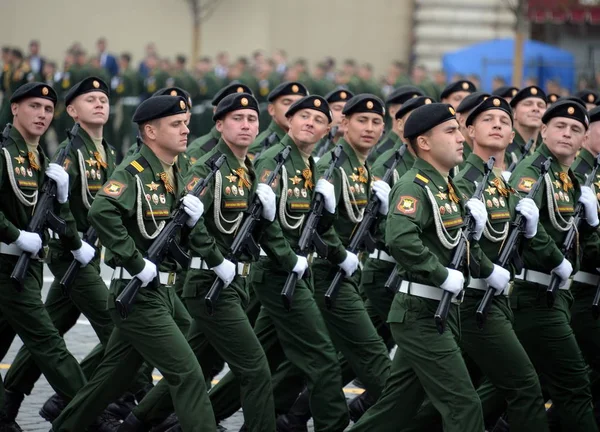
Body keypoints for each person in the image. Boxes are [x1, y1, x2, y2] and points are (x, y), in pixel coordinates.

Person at [50, 95, 215, 432]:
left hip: (164, 291)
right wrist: (135, 261)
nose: (186, 130)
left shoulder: (178, 168)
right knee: (187, 373)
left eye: (185, 123)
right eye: (176, 125)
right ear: (151, 132)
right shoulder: (135, 170)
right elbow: (101, 211)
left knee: (111, 379)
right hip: (138, 292)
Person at [208, 95, 349, 432]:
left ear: (327, 130)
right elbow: (262, 220)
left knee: (265, 361)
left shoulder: (309, 164)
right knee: (322, 357)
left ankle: (193, 417)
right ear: (289, 120)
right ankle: (334, 424)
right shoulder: (275, 160)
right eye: (303, 116)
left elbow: (309, 226)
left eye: (318, 119)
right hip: (277, 272)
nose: (310, 123)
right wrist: (289, 258)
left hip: (297, 271)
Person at [351, 103, 490, 432]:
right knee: (463, 404)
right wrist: (442, 275)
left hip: (436, 309)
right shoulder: (414, 186)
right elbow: (400, 240)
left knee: (396, 409)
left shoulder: (445, 185)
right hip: (420, 312)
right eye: (451, 131)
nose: (460, 138)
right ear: (424, 143)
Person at [2, 76, 128, 424]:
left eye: (46, 109)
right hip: (43, 257)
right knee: (102, 329)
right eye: (90, 100)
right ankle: (112, 406)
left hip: (61, 258)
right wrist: (68, 243)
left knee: (47, 332)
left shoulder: (96, 153)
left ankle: (8, 403)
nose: (100, 103)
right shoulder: (50, 153)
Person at [451, 96, 548, 431]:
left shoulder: (502, 184)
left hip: (498, 299)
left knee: (445, 398)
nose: (497, 125)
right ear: (469, 131)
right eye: (487, 119)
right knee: (525, 387)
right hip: (474, 301)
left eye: (504, 122)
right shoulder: (463, 181)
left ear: (512, 136)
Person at [0, 82, 87, 431]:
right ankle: (89, 408)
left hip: (29, 269)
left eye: (48, 109)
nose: (42, 114)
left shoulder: (39, 158)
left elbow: (51, 213)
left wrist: (71, 229)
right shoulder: (4, 152)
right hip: (6, 265)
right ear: (15, 109)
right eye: (34, 106)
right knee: (49, 343)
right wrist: (15, 234)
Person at [508, 99, 599, 431]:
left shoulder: (567, 178)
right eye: (559, 126)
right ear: (544, 130)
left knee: (515, 387)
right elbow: (528, 230)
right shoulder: (533, 171)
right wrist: (557, 260)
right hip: (536, 293)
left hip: (558, 294)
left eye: (576, 129)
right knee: (573, 383)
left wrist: (591, 224)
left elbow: (575, 237)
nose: (567, 133)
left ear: (583, 137)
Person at [186, 82, 253, 163]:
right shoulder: (199, 151)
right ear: (216, 112)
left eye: (249, 116)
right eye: (236, 117)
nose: (243, 123)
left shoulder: (252, 146)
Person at [247, 81, 308, 158]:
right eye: (287, 103)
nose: (293, 108)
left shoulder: (305, 141)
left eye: (299, 104)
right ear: (271, 109)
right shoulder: (261, 147)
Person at [504, 86, 547, 170]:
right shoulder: (504, 146)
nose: (536, 109)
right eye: (528, 104)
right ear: (514, 113)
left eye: (541, 106)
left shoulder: (546, 148)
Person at [312, 87, 354, 157]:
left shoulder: (361, 149)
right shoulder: (314, 147)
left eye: (348, 110)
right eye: (337, 109)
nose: (343, 115)